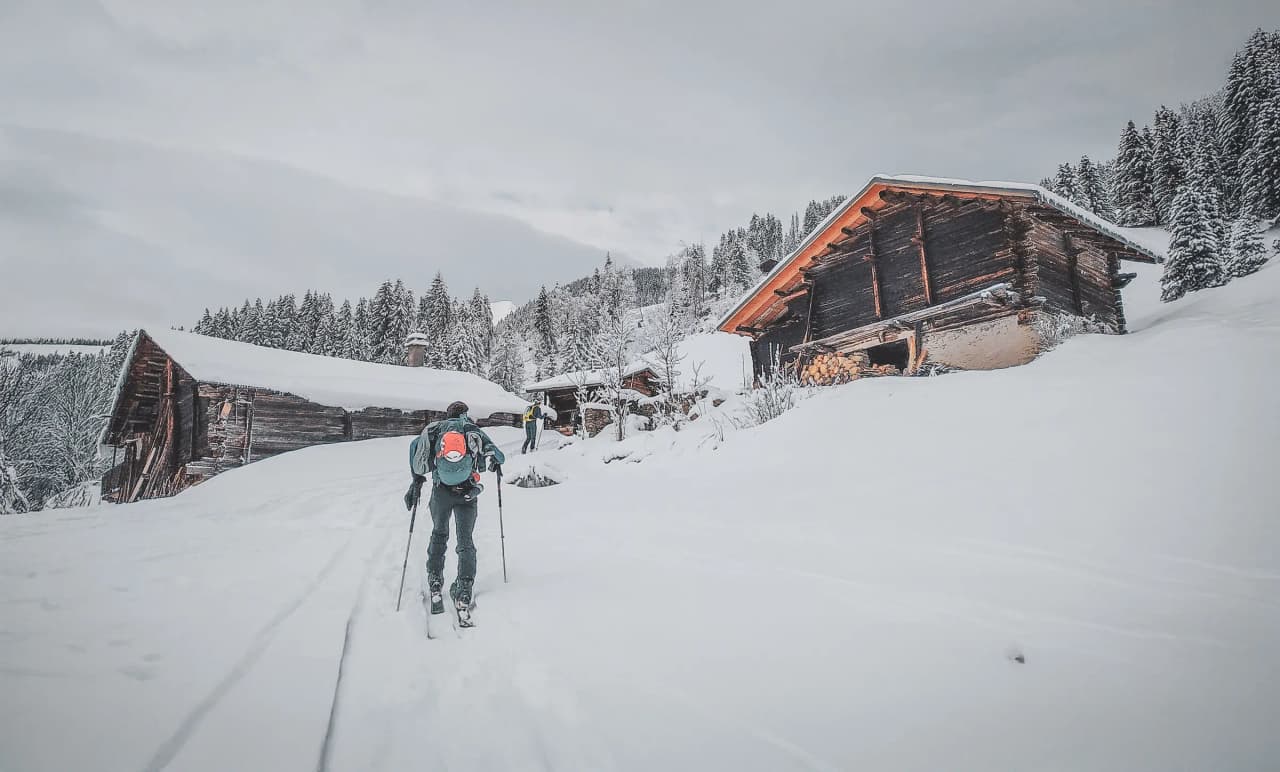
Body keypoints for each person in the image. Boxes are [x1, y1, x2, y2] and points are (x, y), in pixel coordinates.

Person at [404, 400, 504, 612]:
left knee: (439, 534)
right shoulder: (471, 429)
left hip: (441, 492)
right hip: (468, 492)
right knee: (465, 540)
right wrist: (495, 462)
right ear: (464, 415)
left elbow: (413, 448)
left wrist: (416, 480)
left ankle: (435, 581)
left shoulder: (434, 429)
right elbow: (499, 455)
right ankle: (464, 588)